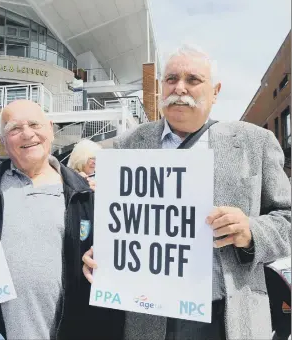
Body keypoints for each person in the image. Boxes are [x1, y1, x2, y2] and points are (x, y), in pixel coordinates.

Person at [82, 44, 291, 340]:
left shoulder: (253, 143)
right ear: (160, 87)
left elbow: (288, 219)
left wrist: (251, 231)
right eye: (171, 79)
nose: (180, 88)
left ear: (215, 92)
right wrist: (103, 252)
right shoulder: (128, 144)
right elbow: (119, 222)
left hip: (226, 315)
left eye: (193, 80)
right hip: (150, 317)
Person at [0, 99, 124, 340]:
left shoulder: (86, 195)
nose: (27, 134)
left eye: (35, 124)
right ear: (2, 142)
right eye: (14, 129)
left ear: (51, 129)